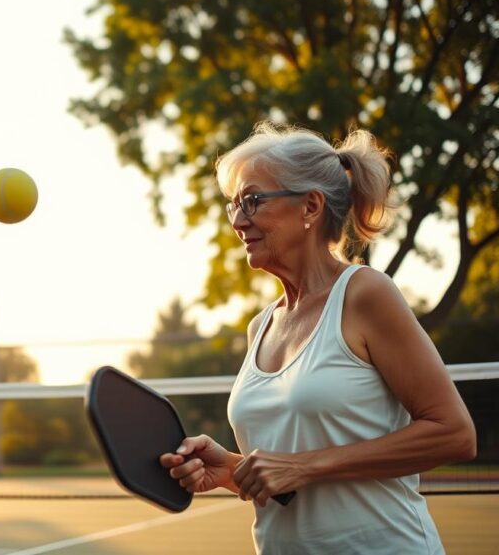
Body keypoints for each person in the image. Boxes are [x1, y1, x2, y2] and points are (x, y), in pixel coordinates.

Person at [161, 123, 477, 554]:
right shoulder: (261, 327)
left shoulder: (365, 295)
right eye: (233, 204)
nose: (238, 220)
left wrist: (304, 467)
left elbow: (454, 433)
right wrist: (233, 470)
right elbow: (290, 477)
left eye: (252, 201)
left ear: (310, 205)